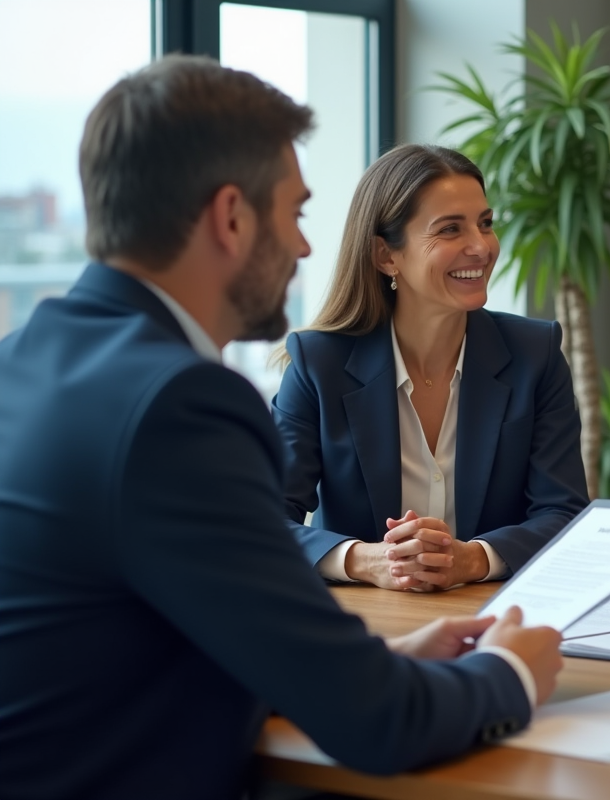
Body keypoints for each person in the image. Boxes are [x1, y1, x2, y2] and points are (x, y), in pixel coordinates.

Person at [0, 55, 562, 799]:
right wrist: (513, 671)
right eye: (294, 213)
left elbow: (147, 636)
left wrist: (388, 658)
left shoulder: (21, 360)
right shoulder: (182, 403)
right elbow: (379, 722)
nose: (303, 248)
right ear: (232, 217)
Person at [272, 144, 589, 593]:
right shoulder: (318, 362)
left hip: (494, 619)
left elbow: (565, 514)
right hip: (367, 625)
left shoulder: (534, 354)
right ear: (386, 256)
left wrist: (473, 558)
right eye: (450, 230)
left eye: (485, 224)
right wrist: (365, 559)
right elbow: (263, 519)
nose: (481, 247)